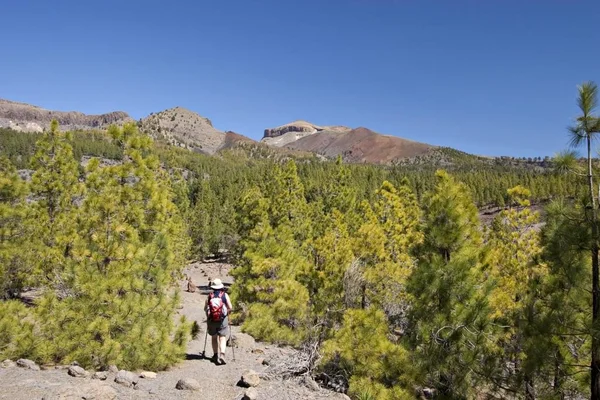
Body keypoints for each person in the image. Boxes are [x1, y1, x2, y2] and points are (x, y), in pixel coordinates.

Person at [205, 278, 232, 365]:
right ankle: (222, 354)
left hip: (212, 319)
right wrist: (226, 313)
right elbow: (230, 307)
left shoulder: (210, 296)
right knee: (222, 337)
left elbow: (205, 308)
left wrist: (208, 316)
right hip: (222, 319)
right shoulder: (225, 295)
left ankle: (215, 355)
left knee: (214, 337)